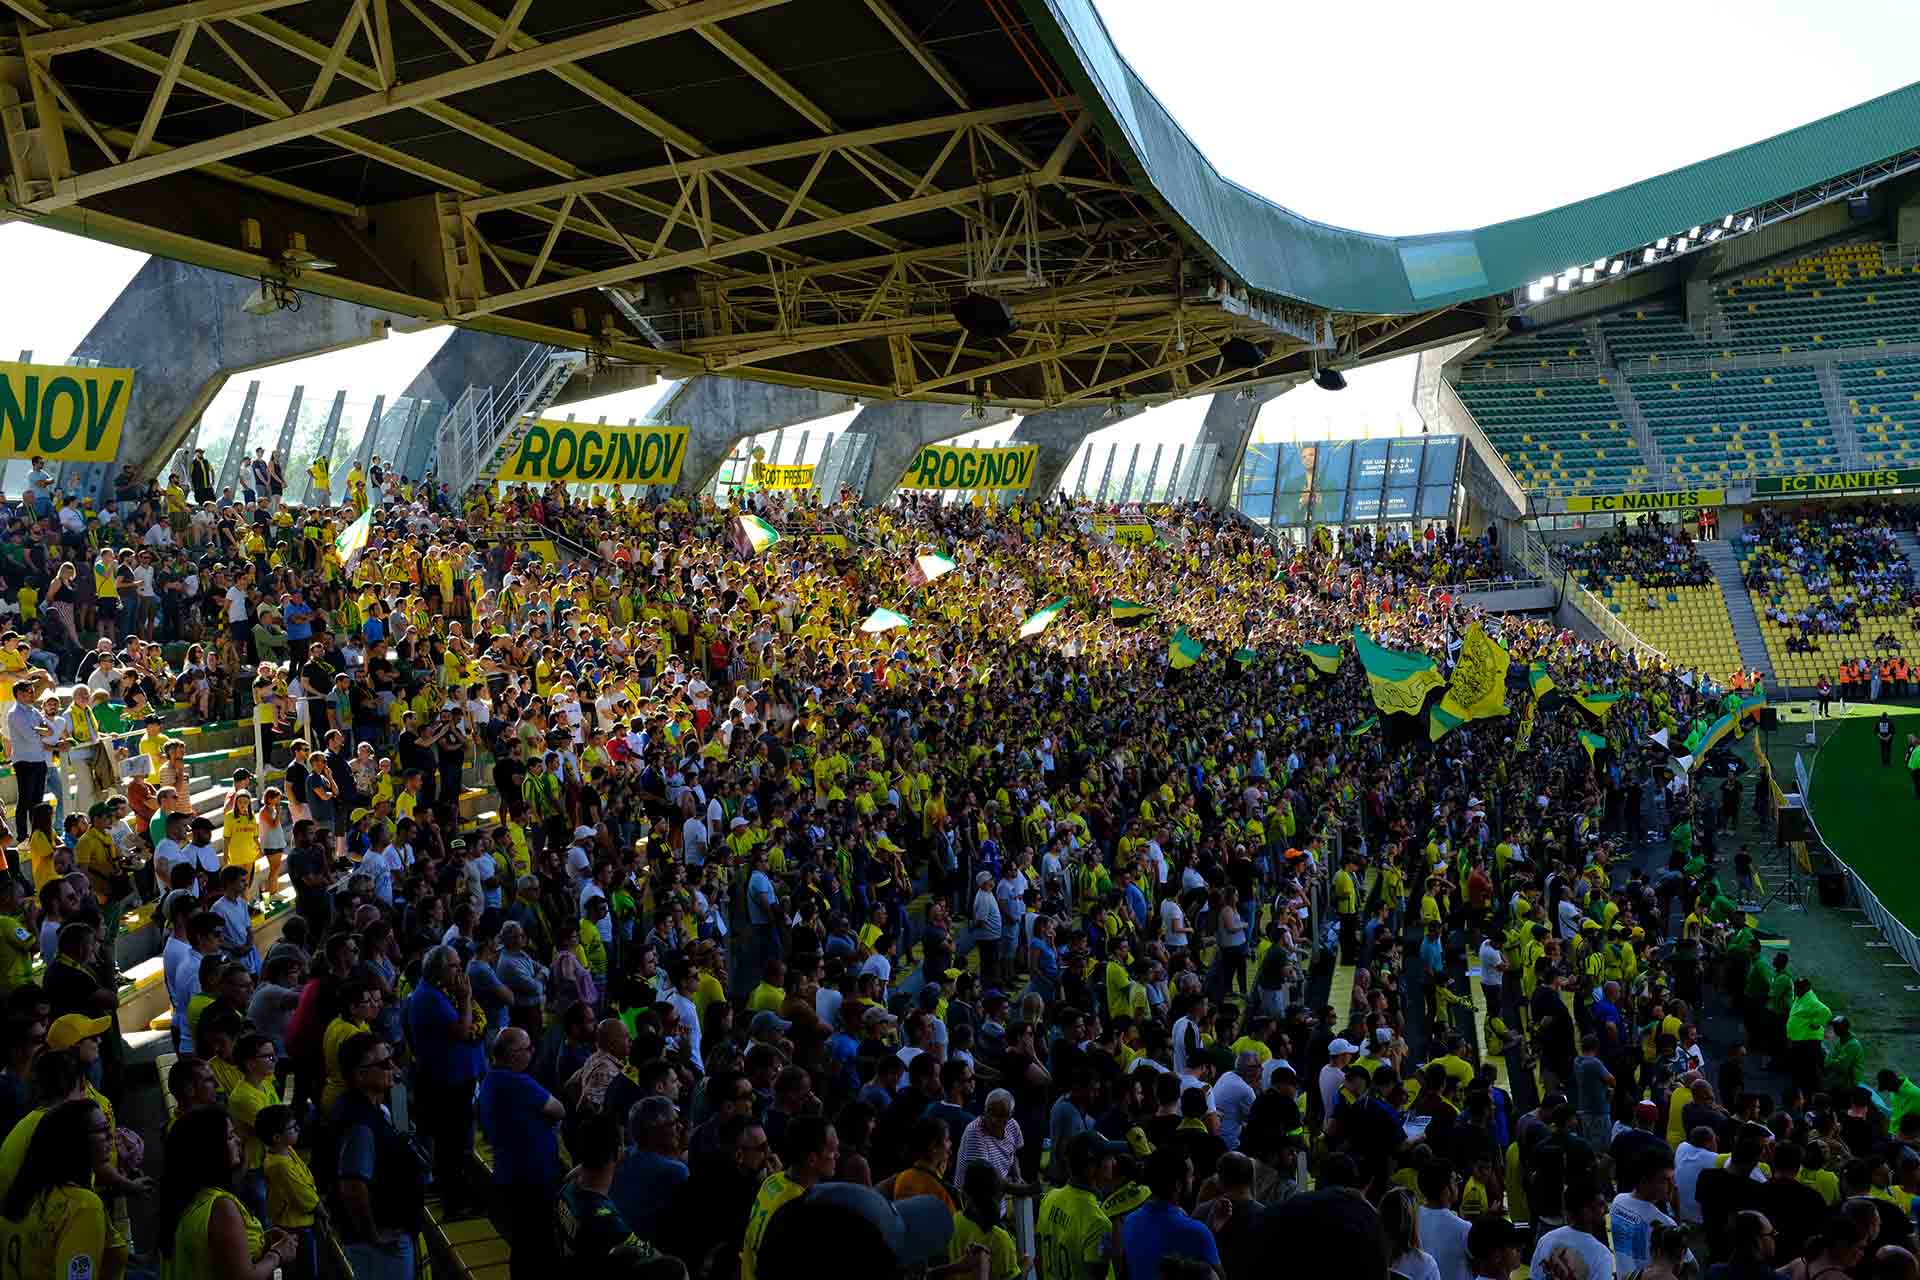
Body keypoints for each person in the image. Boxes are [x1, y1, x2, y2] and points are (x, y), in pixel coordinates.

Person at [159, 1104, 300, 1280]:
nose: (238, 1141)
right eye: (230, 1136)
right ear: (210, 1149)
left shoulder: (183, 1197)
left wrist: (259, 1241)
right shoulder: (220, 1207)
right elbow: (244, 1277)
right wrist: (277, 1254)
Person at [330, 1031, 425, 1280]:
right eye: (384, 1064)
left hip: (393, 1230)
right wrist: (372, 1235)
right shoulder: (359, 1122)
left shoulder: (374, 1105)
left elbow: (404, 1135)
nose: (393, 1067)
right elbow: (352, 1185)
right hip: (381, 1243)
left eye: (392, 1059)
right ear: (360, 1074)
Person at [475, 1025, 565, 1274]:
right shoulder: (517, 1082)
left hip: (513, 1173)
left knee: (525, 1244)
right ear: (514, 1054)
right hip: (530, 1177)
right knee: (537, 1245)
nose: (532, 1052)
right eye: (528, 1048)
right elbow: (558, 1109)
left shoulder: (492, 1078)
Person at [0, 1097, 112, 1280]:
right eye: (102, 1130)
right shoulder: (83, 1207)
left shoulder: (23, 1194)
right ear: (75, 1141)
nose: (111, 1137)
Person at [741, 1115, 839, 1280]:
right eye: (833, 1150)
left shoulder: (772, 1181)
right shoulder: (801, 1208)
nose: (837, 1155)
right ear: (812, 1159)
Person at [556, 1110, 652, 1260]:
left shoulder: (566, 1190)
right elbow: (649, 1254)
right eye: (622, 1143)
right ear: (617, 1153)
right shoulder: (605, 1219)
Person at [1122, 1144, 1227, 1280]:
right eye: (1190, 1176)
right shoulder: (1197, 1232)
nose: (1193, 1179)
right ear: (1177, 1185)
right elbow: (1220, 1277)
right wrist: (1209, 1231)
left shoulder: (1130, 1220)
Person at [1530, 1180, 1616, 1280]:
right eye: (1601, 1205)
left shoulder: (1546, 1240)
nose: (1607, 1210)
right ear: (1586, 1211)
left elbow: (1535, 1276)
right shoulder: (1601, 1255)